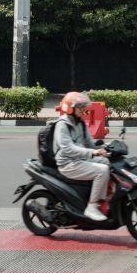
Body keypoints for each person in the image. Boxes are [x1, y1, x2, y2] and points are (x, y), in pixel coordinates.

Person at [53, 92, 111, 222]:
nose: (83, 110)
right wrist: (92, 152)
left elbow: (91, 143)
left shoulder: (80, 123)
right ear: (70, 108)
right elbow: (68, 149)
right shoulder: (62, 125)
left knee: (107, 162)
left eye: (83, 107)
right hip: (68, 164)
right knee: (102, 171)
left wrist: (106, 147)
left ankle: (101, 198)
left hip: (79, 160)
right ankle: (91, 207)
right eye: (79, 108)